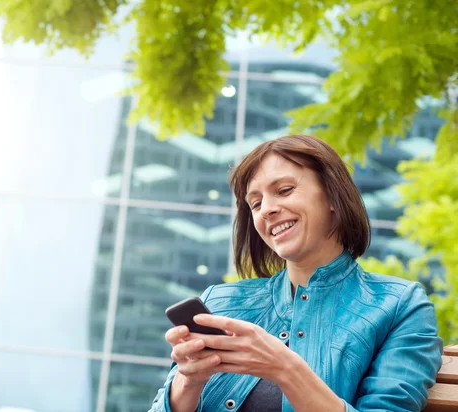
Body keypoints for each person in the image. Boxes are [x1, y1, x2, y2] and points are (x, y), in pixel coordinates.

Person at [148, 134, 443, 412]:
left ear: (331, 196)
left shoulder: (399, 307)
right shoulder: (220, 301)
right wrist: (189, 380)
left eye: (284, 190)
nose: (266, 210)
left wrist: (285, 368)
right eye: (256, 203)